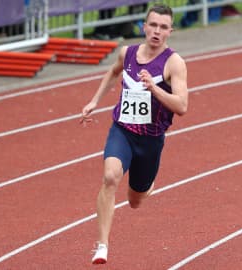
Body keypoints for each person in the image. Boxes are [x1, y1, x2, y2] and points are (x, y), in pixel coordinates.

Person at [81, 4, 188, 264]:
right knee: (110, 177)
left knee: (135, 200)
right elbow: (112, 73)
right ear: (144, 26)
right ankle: (102, 245)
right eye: (153, 25)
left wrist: (154, 89)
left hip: (150, 140)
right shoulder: (127, 53)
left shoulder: (174, 63)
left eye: (163, 27)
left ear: (170, 31)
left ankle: (146, 186)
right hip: (123, 130)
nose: (157, 31)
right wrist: (95, 100)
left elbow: (182, 107)